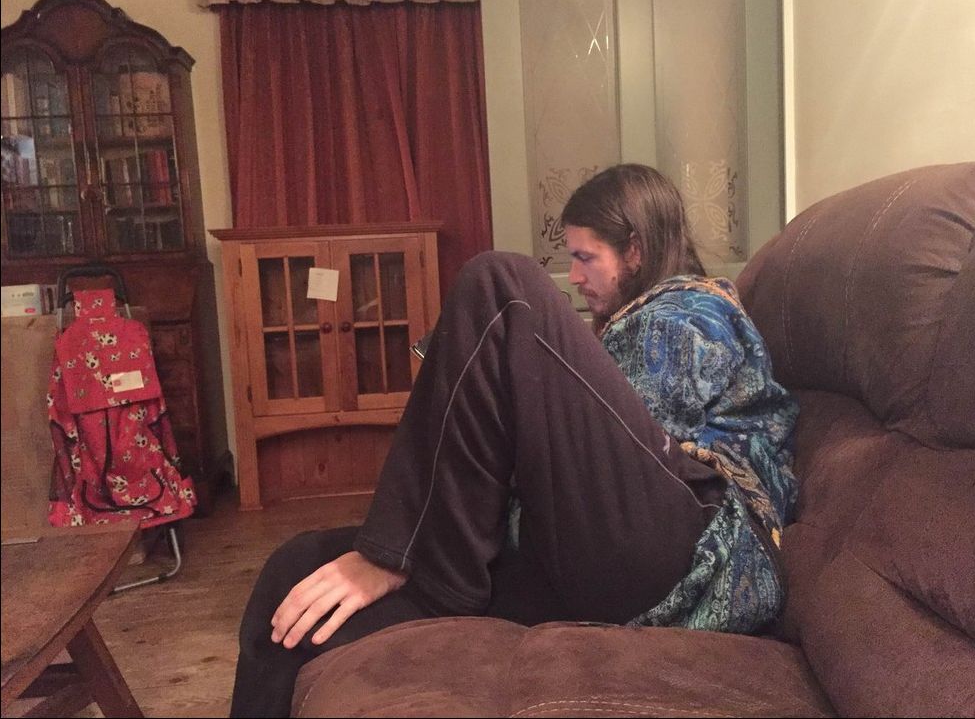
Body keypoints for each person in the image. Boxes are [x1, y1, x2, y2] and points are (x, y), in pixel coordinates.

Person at [230, 164, 799, 718]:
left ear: (635, 251)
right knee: (295, 567)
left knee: (502, 286)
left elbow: (628, 451)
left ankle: (418, 567)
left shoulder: (690, 314)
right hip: (582, 556)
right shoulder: (624, 324)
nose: (574, 276)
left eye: (585, 258)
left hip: (689, 544)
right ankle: (426, 565)